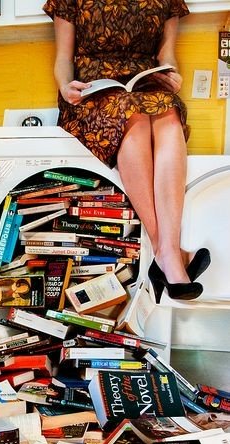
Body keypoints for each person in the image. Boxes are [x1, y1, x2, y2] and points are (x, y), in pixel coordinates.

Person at [42, 0, 211, 303]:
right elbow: (63, 58)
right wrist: (66, 86)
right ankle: (170, 255)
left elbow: (166, 56)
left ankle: (165, 253)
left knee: (169, 114)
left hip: (147, 84)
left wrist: (173, 77)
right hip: (93, 90)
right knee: (134, 116)